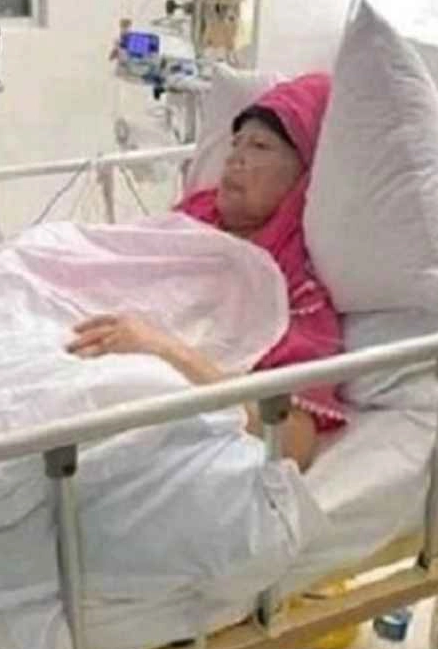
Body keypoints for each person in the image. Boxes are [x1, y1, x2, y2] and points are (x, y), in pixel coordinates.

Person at [67, 74, 346, 471]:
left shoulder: (295, 294)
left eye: (260, 146)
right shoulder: (189, 221)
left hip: (135, 390)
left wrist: (165, 350)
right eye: (236, 144)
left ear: (304, 175)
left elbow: (292, 441)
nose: (235, 158)